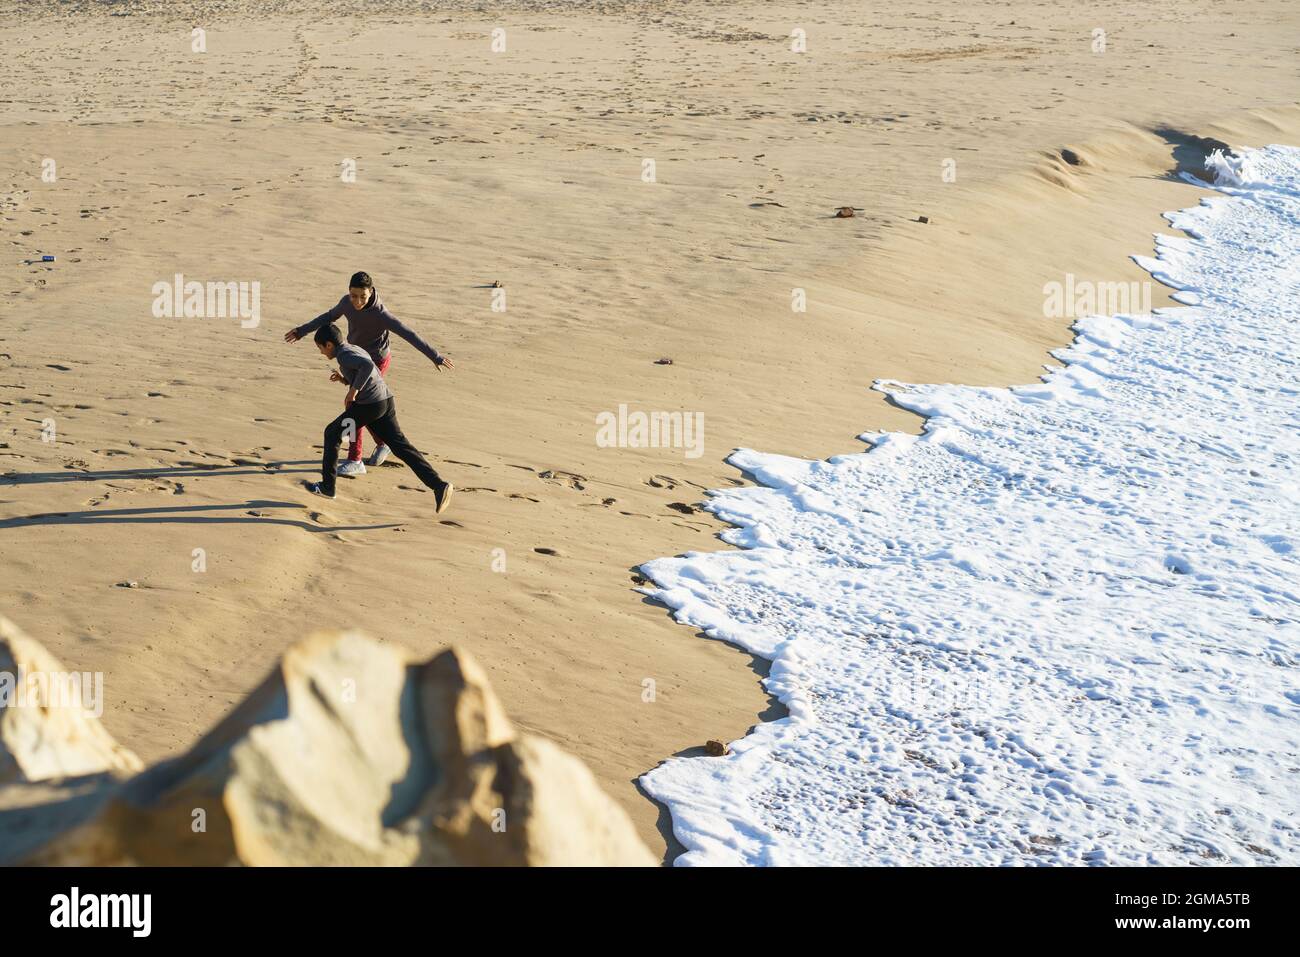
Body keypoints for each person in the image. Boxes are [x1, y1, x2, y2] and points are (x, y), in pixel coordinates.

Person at [285, 271, 454, 475]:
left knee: (356, 406)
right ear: (349, 293)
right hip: (353, 357)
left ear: (371, 292)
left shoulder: (380, 314)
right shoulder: (346, 303)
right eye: (353, 296)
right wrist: (301, 331)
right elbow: (328, 317)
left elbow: (408, 333)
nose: (357, 302)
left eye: (362, 297)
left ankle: (355, 459)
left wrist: (434, 356)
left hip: (376, 361)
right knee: (367, 409)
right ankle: (383, 442)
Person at [308, 322, 453, 513]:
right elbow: (366, 370)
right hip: (385, 400)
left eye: (320, 348)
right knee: (401, 447)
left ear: (328, 345)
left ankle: (327, 487)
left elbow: (368, 366)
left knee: (332, 432)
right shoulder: (352, 347)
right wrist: (344, 380)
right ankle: (438, 485)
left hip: (371, 405)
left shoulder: (344, 355)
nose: (321, 353)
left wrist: (353, 391)